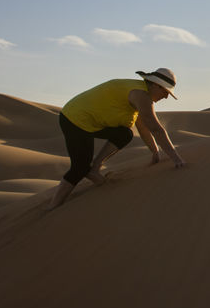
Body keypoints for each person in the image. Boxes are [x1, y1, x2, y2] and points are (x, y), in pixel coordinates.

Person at [46, 67, 187, 211]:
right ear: (156, 85)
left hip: (91, 121)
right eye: (165, 92)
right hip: (75, 119)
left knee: (124, 134)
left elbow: (143, 126)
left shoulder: (139, 93)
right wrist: (176, 159)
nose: (166, 97)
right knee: (80, 167)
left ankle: (94, 168)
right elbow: (156, 128)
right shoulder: (141, 95)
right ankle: (53, 206)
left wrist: (155, 151)